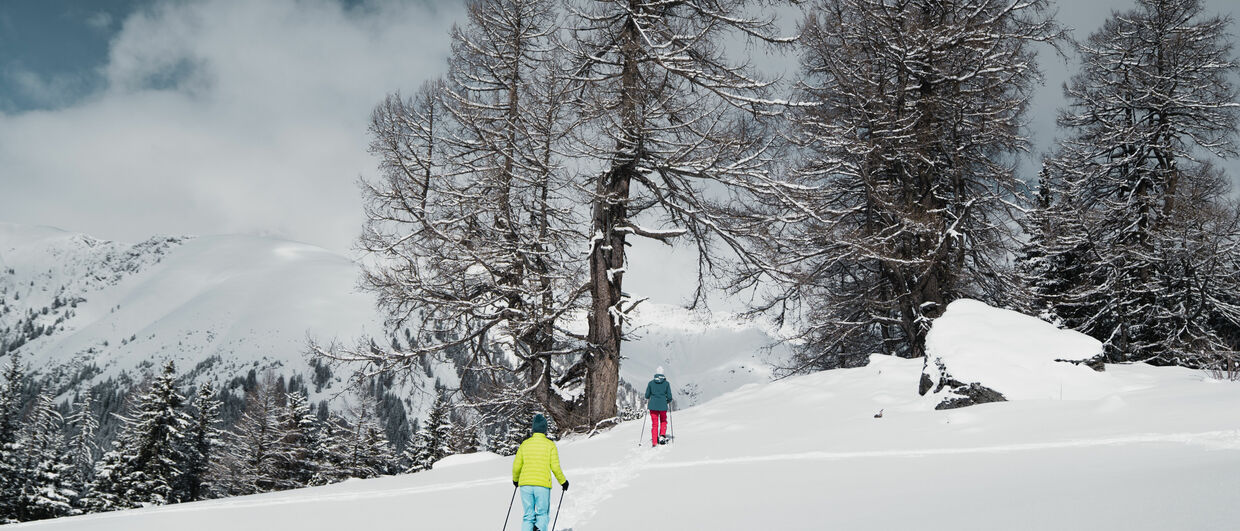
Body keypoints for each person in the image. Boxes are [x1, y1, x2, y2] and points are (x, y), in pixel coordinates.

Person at [512, 413, 568, 531]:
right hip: (542, 485)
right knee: (542, 513)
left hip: (525, 485)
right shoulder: (550, 445)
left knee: (528, 515)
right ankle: (539, 529)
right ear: (545, 429)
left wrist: (516, 480)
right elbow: (555, 467)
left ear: (533, 429)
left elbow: (517, 466)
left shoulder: (525, 444)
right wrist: (563, 482)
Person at [645, 366, 673, 447]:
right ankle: (662, 435)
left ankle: (654, 441)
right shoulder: (666, 384)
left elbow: (647, 395)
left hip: (653, 406)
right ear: (663, 374)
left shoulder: (650, 383)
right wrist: (666, 401)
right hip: (663, 406)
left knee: (654, 424)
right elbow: (669, 397)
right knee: (663, 420)